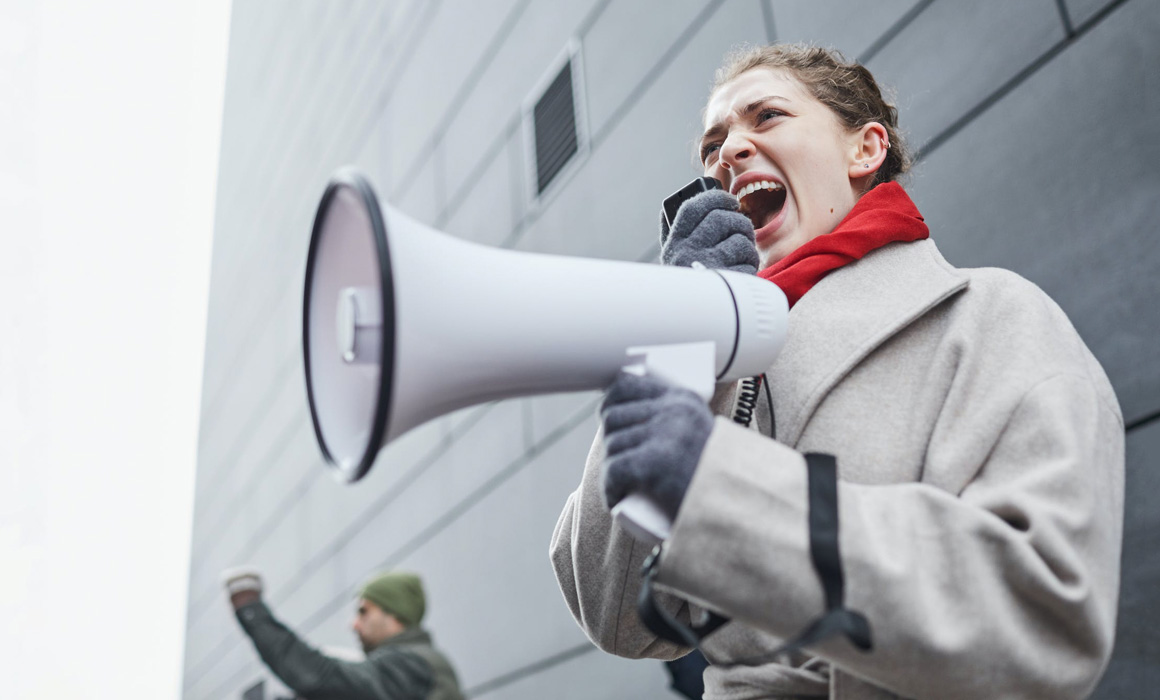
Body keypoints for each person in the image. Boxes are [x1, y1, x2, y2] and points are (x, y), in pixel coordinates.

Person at [550, 43, 1124, 700]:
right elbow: (615, 617)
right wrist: (673, 336)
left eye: (766, 117)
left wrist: (721, 490)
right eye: (713, 146)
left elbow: (1046, 622)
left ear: (865, 150)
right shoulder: (711, 366)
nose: (728, 152)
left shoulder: (994, 314)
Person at [224, 568, 464, 700]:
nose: (354, 625)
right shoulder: (404, 671)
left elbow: (320, 677)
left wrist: (250, 608)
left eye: (364, 612)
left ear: (394, 615)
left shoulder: (413, 665)